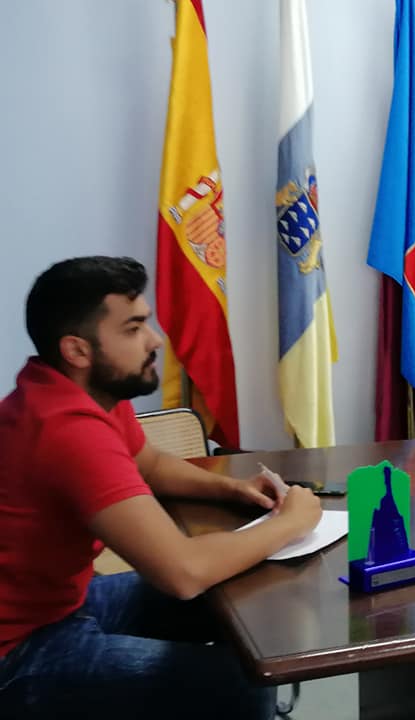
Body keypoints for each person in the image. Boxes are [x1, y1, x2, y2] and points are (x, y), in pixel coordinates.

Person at [0, 256, 322, 720]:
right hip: (20, 650)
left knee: (239, 599)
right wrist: (290, 523)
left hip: (67, 602)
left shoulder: (82, 392)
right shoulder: (65, 429)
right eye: (133, 329)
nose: (155, 340)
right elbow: (182, 572)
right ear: (77, 350)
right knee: (237, 681)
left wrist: (232, 490)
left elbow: (148, 463)